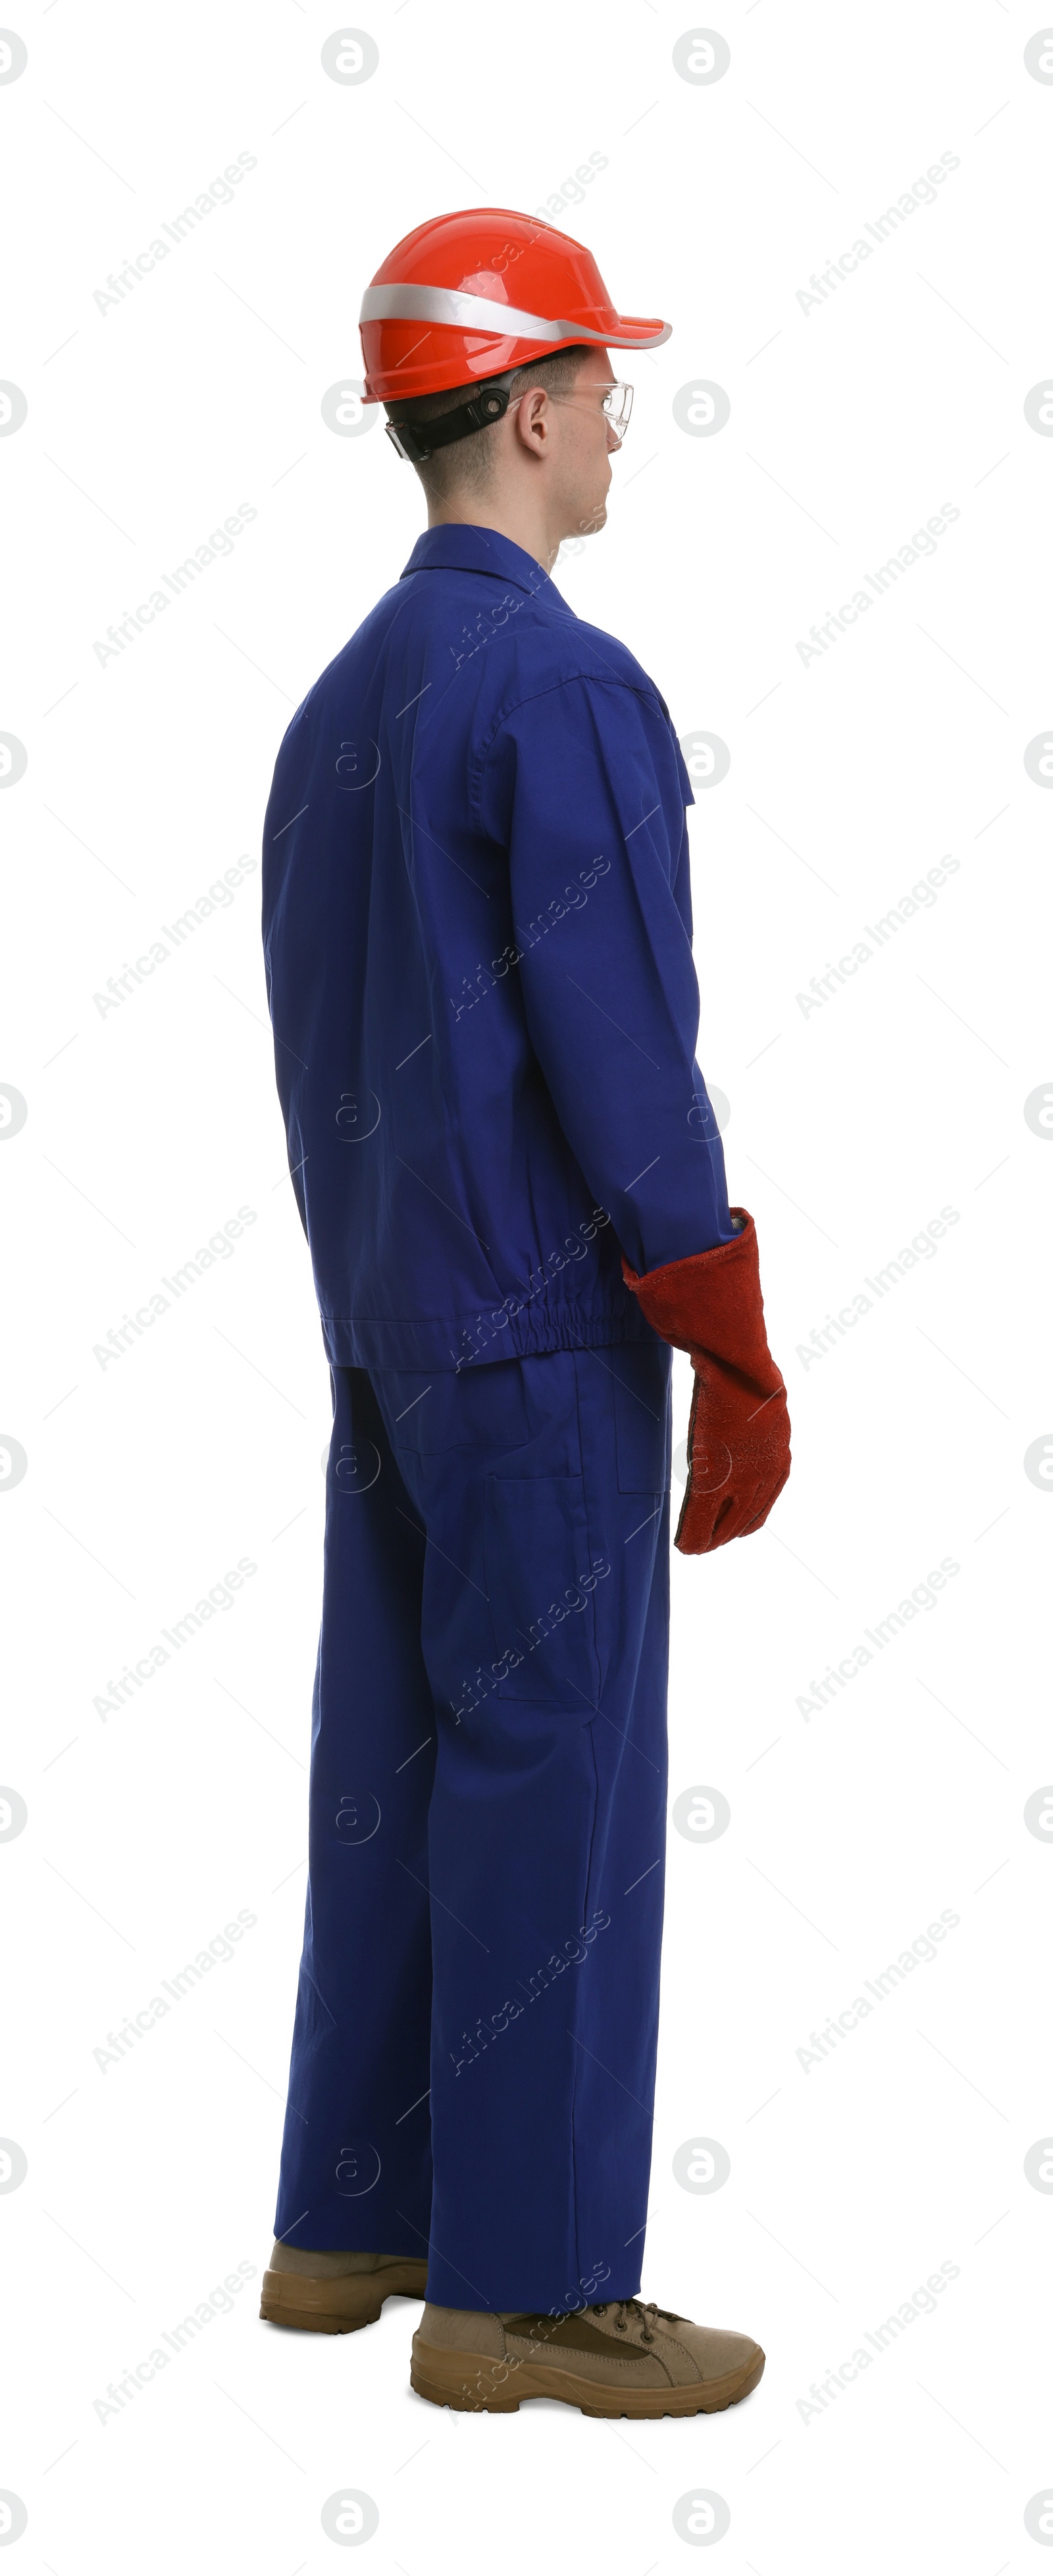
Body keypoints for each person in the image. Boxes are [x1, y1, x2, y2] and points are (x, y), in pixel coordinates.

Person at [258, 207, 790, 2418]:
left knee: (394, 1771)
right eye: (601, 377)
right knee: (552, 1781)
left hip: (388, 1326)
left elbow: (321, 1039)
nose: (620, 413)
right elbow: (616, 1042)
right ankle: (531, 2288)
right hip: (544, 1330)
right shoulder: (561, 682)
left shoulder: (344, 696)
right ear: (534, 403)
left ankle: (347, 2222)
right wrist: (720, 1306)